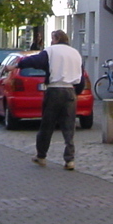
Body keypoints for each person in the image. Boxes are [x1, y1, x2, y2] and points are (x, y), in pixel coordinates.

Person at [18, 29, 83, 171]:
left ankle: (41, 155)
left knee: (47, 124)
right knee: (69, 127)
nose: (51, 41)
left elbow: (35, 60)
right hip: (70, 90)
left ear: (57, 39)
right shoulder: (75, 53)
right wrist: (76, 92)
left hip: (54, 89)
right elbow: (81, 77)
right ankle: (70, 159)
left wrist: (19, 63)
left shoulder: (51, 51)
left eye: (52, 38)